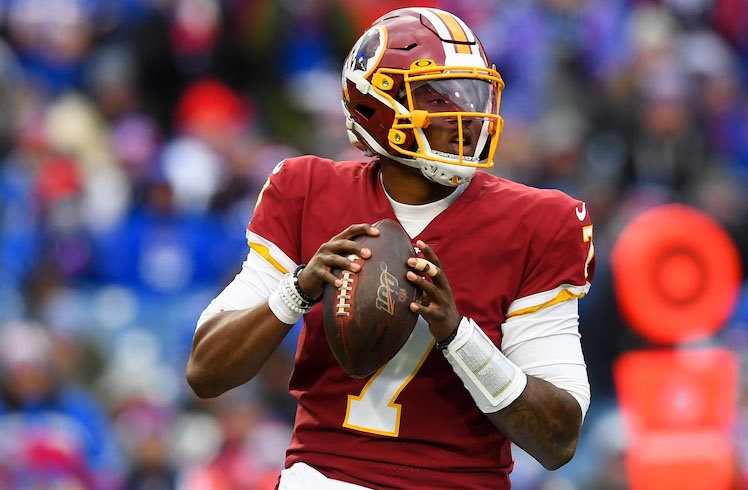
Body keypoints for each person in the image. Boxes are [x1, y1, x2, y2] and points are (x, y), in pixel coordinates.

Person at [186, 7, 594, 489]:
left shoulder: (539, 222)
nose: (464, 112)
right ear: (373, 108)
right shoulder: (307, 190)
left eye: (471, 92)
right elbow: (205, 371)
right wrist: (295, 292)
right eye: (437, 96)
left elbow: (559, 440)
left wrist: (457, 334)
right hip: (325, 477)